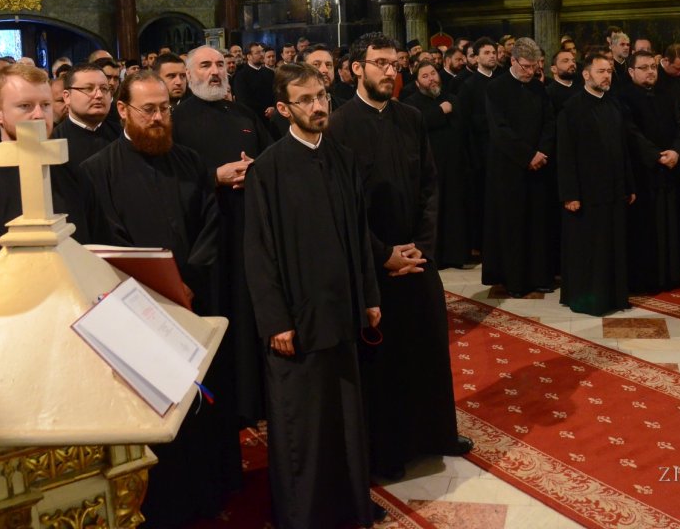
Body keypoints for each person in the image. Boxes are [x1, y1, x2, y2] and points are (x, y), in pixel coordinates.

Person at [80, 71, 231, 526]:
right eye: (149, 110)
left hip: (192, 302)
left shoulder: (190, 162)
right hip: (136, 313)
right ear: (123, 110)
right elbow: (109, 242)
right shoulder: (96, 172)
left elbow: (211, 225)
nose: (160, 118)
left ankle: (208, 491)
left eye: (166, 109)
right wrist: (158, 285)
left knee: (199, 408)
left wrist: (187, 279)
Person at [244, 64, 383, 529]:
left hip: (341, 313)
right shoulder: (268, 168)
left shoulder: (342, 156)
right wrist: (275, 321)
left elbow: (359, 235)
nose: (319, 106)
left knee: (346, 419)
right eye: (306, 100)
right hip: (296, 321)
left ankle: (349, 507)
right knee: (301, 424)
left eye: (322, 95)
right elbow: (258, 253)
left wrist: (368, 295)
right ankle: (303, 516)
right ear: (284, 108)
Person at [328, 33, 470, 481]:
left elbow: (430, 185)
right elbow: (342, 206)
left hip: (417, 256)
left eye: (396, 64)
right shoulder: (339, 125)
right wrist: (384, 254)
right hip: (373, 262)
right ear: (357, 69)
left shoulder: (411, 117)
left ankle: (436, 434)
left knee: (428, 348)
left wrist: (422, 248)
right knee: (383, 363)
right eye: (381, 63)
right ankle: (387, 450)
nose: (392, 71)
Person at [172, 46, 271, 431]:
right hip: (208, 240)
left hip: (249, 230)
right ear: (188, 73)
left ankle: (253, 399)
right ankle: (221, 403)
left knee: (249, 316)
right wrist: (215, 177)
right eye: (205, 65)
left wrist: (255, 170)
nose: (215, 72)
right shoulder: (177, 121)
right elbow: (173, 183)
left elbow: (268, 157)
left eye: (218, 65)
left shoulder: (243, 114)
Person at [0, 64, 91, 283]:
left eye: (46, 105)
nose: (39, 115)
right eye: (25, 106)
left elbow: (96, 251)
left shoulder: (74, 174)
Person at [557, 52, 635, 315]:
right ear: (586, 74)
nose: (607, 76)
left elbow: (623, 149)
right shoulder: (572, 107)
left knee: (612, 245)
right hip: (586, 193)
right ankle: (586, 300)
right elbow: (565, 154)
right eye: (601, 71)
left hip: (613, 190)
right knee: (588, 248)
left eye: (610, 71)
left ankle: (613, 297)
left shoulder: (614, 105)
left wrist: (629, 186)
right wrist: (570, 194)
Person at [482, 38, 558, 295]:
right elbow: (499, 130)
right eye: (525, 66)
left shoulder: (539, 88)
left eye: (535, 67)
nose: (531, 72)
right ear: (513, 61)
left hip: (539, 168)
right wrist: (528, 156)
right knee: (513, 225)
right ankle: (514, 280)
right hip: (509, 169)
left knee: (538, 225)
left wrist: (543, 152)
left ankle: (539, 276)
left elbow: (550, 123)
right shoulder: (495, 88)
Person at [621, 50, 680, 292]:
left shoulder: (669, 93)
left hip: (670, 170)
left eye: (653, 67)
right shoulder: (624, 97)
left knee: (669, 225)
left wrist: (677, 152)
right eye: (644, 67)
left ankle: (669, 276)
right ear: (631, 71)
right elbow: (631, 133)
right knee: (645, 229)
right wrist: (658, 156)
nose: (651, 71)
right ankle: (647, 279)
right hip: (643, 173)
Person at [402, 60, 469, 270]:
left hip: (455, 165)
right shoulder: (412, 103)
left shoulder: (452, 98)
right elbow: (417, 126)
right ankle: (435, 254)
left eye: (433, 73)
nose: (431, 78)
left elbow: (462, 126)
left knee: (455, 210)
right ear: (418, 82)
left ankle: (456, 255)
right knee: (434, 212)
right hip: (429, 167)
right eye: (425, 76)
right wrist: (440, 112)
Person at [457, 37, 499, 257]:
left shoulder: (502, 80)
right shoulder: (469, 86)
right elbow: (464, 124)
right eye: (486, 53)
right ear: (476, 58)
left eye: (493, 52)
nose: (491, 56)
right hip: (479, 152)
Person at [52, 63, 119, 168]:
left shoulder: (121, 134)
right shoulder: (53, 142)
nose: (99, 95)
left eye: (104, 89)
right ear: (67, 97)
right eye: (88, 88)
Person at [232, 41, 277, 120]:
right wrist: (265, 111)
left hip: (272, 117)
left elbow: (276, 93)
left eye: (262, 51)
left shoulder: (270, 73)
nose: (262, 55)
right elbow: (243, 101)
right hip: (253, 119)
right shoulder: (240, 76)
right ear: (249, 56)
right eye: (257, 53)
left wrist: (273, 107)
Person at [546, 48, 580, 112]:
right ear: (554, 69)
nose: (572, 64)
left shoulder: (582, 89)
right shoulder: (548, 94)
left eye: (573, 61)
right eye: (565, 61)